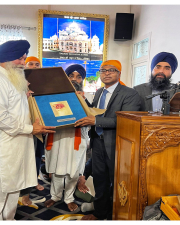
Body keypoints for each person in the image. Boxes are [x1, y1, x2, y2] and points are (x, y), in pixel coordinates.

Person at [0, 40, 56, 220]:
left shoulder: (12, 78)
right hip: (3, 148)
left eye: (24, 58)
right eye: (20, 59)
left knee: (12, 192)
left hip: (17, 146)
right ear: (6, 59)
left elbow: (14, 109)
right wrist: (31, 128)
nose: (23, 63)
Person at [74, 60, 142, 220]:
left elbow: (125, 121)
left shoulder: (130, 94)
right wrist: (82, 101)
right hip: (97, 142)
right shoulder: (99, 92)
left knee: (118, 182)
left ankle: (118, 214)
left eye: (112, 70)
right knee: (99, 180)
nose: (107, 73)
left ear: (119, 73)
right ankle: (100, 213)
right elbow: (96, 112)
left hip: (117, 145)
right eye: (103, 70)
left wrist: (95, 122)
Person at [43, 64, 89, 212]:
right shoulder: (55, 95)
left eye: (78, 76)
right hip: (58, 136)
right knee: (57, 168)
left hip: (75, 137)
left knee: (73, 169)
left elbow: (89, 117)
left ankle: (69, 198)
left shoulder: (85, 97)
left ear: (82, 79)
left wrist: (82, 101)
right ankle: (55, 195)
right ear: (65, 77)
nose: (74, 79)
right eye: (71, 76)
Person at [19, 56, 45, 208]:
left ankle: (32, 181)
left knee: (36, 155)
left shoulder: (43, 83)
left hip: (40, 126)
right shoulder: (18, 80)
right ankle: (23, 193)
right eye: (30, 64)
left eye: (37, 64)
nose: (34, 66)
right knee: (25, 158)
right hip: (23, 127)